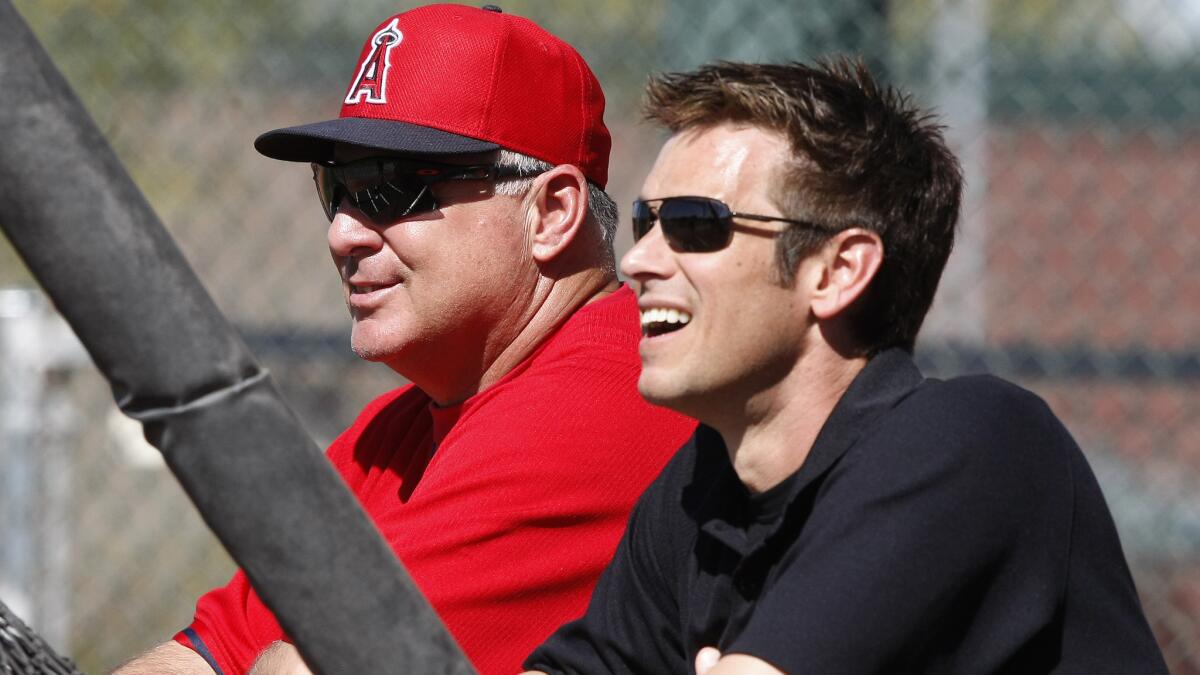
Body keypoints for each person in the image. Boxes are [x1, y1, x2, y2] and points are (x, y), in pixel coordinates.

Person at [524, 59, 1169, 674]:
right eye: (646, 222)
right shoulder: (699, 486)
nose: (639, 261)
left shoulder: (972, 442)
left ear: (837, 272)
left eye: (695, 225)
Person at [113, 5, 694, 675]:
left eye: (392, 189)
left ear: (552, 212)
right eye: (336, 188)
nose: (343, 233)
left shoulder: (599, 404)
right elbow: (204, 652)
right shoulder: (395, 429)